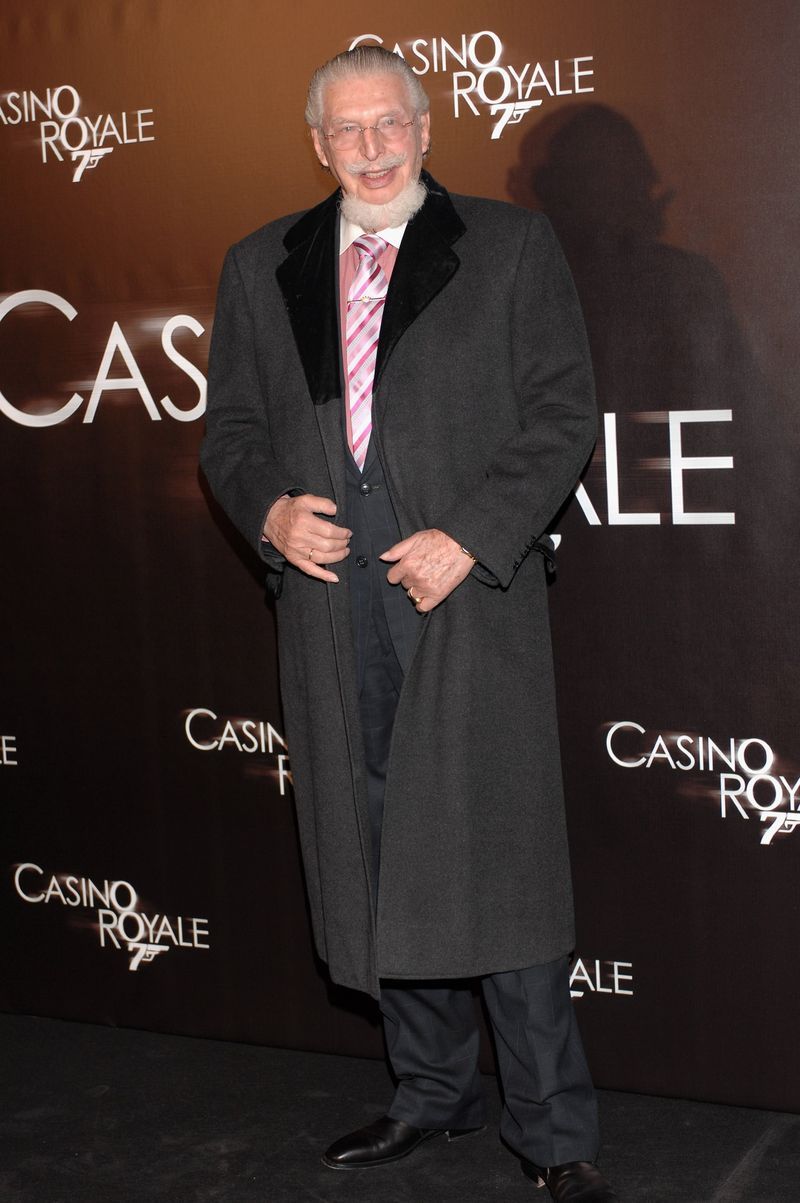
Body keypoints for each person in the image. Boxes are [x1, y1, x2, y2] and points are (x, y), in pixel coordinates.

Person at [201, 45, 616, 1202]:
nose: (371, 146)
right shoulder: (261, 264)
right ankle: (430, 1095)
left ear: (426, 129)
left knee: (499, 862)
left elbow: (561, 413)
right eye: (346, 129)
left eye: (389, 122)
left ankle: (552, 1133)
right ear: (316, 144)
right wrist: (269, 512)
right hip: (331, 609)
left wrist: (472, 535)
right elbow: (229, 433)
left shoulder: (509, 246)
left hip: (463, 600)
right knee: (378, 855)